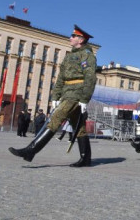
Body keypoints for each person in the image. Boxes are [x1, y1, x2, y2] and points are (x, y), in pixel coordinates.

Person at [9, 25, 96, 167]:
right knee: (78, 127)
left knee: (56, 118)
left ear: (80, 39)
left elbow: (90, 77)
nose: (70, 38)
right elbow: (61, 77)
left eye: (73, 36)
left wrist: (84, 98)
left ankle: (31, 150)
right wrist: (55, 96)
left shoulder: (87, 55)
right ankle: (85, 158)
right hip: (67, 93)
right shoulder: (69, 56)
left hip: (77, 93)